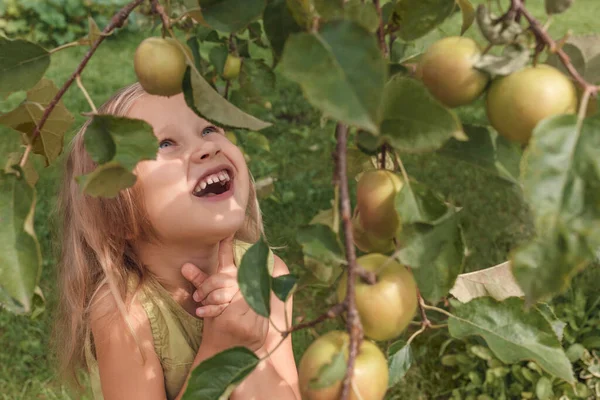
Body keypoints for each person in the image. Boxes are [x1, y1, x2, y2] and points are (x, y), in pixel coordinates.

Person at [52, 82, 300, 400]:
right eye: (167, 143)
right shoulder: (124, 315)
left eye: (209, 128)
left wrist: (251, 351)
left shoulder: (269, 275)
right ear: (119, 213)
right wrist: (221, 350)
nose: (207, 147)